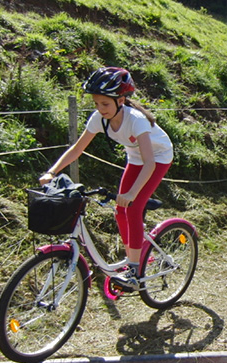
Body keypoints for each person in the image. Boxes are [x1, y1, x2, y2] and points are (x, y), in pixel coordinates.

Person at [39, 67, 174, 292]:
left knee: (132, 207)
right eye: (96, 103)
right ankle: (138, 252)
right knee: (120, 212)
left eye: (105, 104)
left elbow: (149, 163)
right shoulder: (99, 119)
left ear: (121, 100)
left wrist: (131, 194)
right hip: (135, 157)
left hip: (158, 158)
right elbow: (77, 148)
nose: (100, 109)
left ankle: (133, 268)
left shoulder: (136, 120)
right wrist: (52, 172)